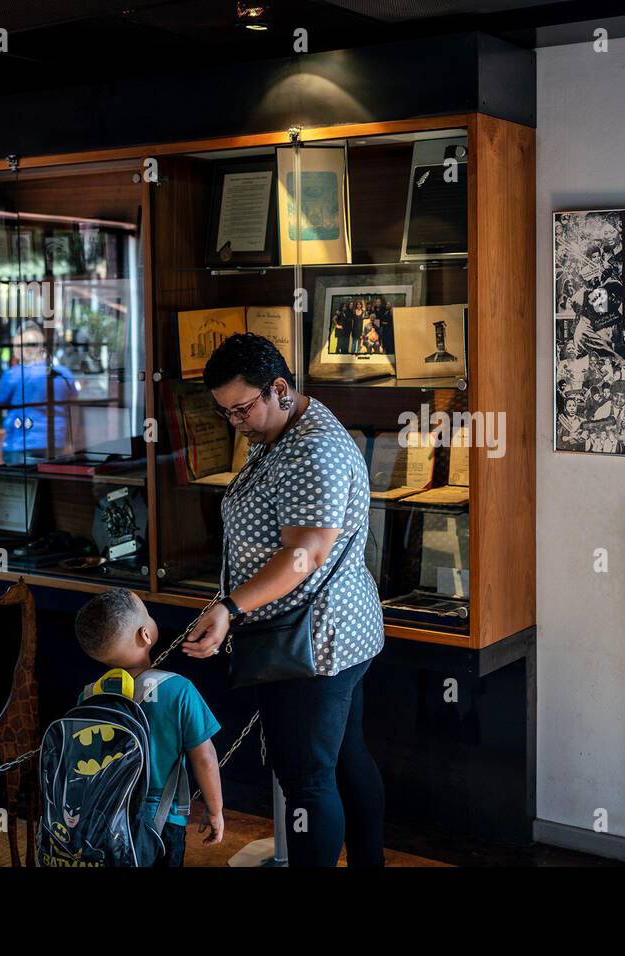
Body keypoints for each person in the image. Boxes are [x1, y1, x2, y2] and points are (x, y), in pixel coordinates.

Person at [183, 332, 387, 867]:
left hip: (312, 641)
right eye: (226, 412)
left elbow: (306, 554)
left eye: (243, 408)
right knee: (344, 760)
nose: (236, 422)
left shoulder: (310, 447)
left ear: (279, 388)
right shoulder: (286, 428)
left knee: (306, 781)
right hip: (337, 629)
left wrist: (230, 608)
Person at [73, 588, 224, 866]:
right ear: (146, 635)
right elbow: (205, 759)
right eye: (148, 614)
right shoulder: (179, 690)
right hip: (164, 819)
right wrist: (215, 811)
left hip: (106, 817)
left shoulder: (89, 695)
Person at [0, 320, 77, 464]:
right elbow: (74, 410)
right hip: (55, 442)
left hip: (19, 443)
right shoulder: (63, 374)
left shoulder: (14, 374)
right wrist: (71, 441)